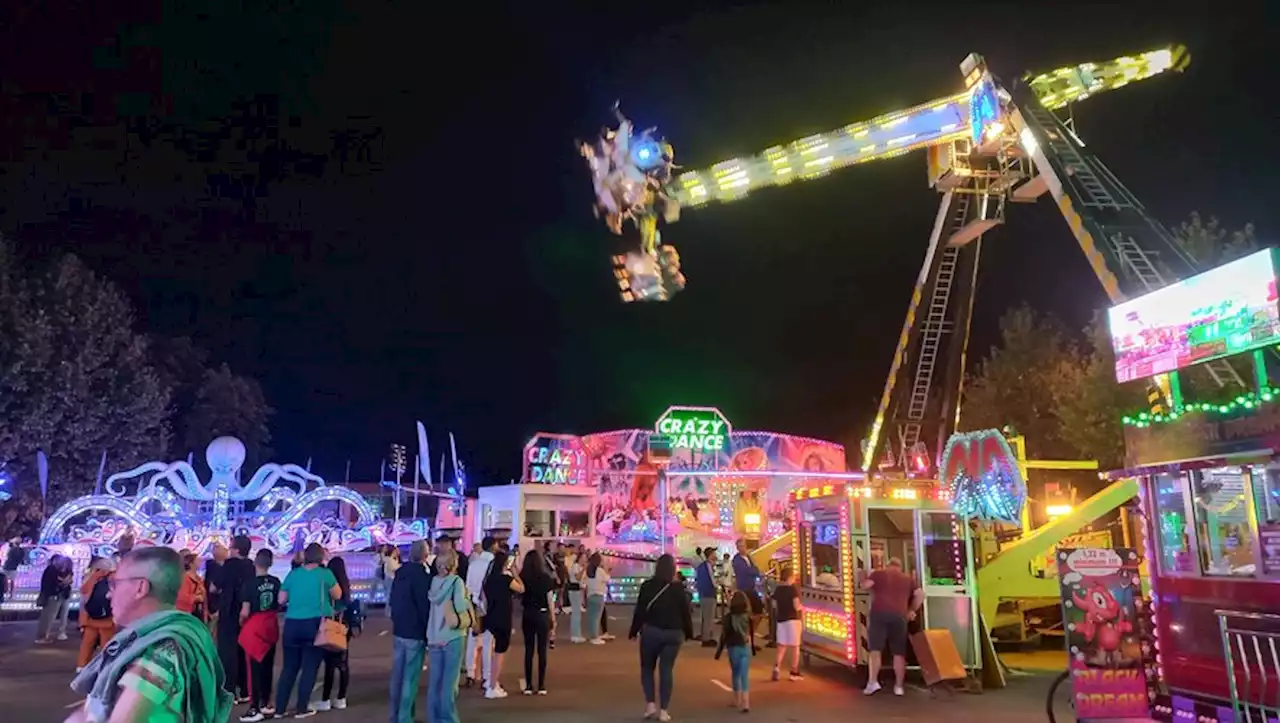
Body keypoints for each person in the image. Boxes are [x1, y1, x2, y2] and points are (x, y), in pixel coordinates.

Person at [63, 546, 232, 723]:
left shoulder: (160, 651)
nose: (108, 593)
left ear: (140, 588)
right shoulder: (149, 639)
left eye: (115, 583)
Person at [275, 542, 341, 717]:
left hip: (292, 624)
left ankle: (279, 708)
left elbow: (281, 599)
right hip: (314, 624)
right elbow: (338, 594)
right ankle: (301, 708)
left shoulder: (293, 574)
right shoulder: (325, 574)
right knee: (310, 667)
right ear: (321, 557)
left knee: (289, 668)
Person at [629, 553, 694, 722]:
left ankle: (650, 704)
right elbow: (685, 613)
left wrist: (633, 631)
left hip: (652, 632)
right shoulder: (679, 588)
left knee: (647, 668)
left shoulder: (647, 586)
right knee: (666, 670)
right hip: (674, 633)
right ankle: (664, 710)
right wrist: (689, 632)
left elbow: (640, 611)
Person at [861, 557, 923, 697]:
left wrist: (862, 576)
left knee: (875, 650)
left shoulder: (879, 574)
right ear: (900, 567)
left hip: (879, 614)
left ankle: (873, 682)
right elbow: (920, 594)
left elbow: (866, 586)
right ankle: (899, 686)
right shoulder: (907, 579)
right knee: (899, 653)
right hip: (900, 616)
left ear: (887, 565)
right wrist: (910, 610)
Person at [389, 540, 431, 723]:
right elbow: (424, 606)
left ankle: (395, 714)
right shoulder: (422, 577)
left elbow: (393, 600)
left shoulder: (400, 573)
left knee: (397, 675)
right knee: (410, 678)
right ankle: (405, 717)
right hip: (415, 631)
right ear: (424, 555)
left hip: (399, 629)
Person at [426, 549, 470, 723]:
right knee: (449, 683)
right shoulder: (456, 582)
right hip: (453, 635)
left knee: (435, 681)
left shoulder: (434, 582)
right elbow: (460, 607)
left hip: (435, 636)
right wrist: (468, 599)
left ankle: (434, 717)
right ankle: (448, 718)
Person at [237, 549, 281, 723]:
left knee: (253, 668)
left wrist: (241, 622)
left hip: (255, 627)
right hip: (271, 625)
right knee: (268, 666)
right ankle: (266, 703)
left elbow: (245, 612)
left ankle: (254, 707)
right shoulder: (276, 582)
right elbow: (281, 601)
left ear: (255, 563)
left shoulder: (249, 584)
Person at [218, 535, 256, 702]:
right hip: (246, 612)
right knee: (243, 650)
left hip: (229, 611)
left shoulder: (229, 565)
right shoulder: (250, 566)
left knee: (228, 651)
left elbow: (215, 586)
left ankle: (229, 689)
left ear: (237, 550)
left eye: (231, 547)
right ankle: (245, 690)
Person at [480, 549, 523, 699]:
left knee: (490, 650)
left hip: (490, 617)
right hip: (503, 618)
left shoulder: (488, 581)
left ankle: (490, 681)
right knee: (499, 653)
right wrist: (514, 572)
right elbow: (521, 588)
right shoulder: (506, 579)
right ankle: (492, 686)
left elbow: (483, 600)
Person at [318, 555, 354, 711]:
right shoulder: (346, 586)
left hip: (330, 626)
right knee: (343, 663)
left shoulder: (329, 585)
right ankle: (341, 697)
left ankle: (325, 699)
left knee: (329, 664)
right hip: (344, 627)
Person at [518, 550, 555, 695]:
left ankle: (528, 685)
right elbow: (550, 599)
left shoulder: (523, 577)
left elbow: (518, 594)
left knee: (529, 650)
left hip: (528, 614)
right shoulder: (545, 577)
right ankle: (541, 685)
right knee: (542, 650)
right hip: (543, 613)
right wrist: (553, 619)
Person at [715, 591, 757, 712]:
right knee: (745, 675)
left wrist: (718, 652)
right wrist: (753, 648)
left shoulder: (728, 617)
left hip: (733, 648)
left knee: (735, 673)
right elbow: (751, 634)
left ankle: (736, 699)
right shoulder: (748, 617)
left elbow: (724, 635)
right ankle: (746, 703)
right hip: (746, 647)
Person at [464, 536, 496, 688]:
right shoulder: (493, 564)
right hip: (489, 606)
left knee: (473, 639)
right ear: (494, 546)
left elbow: (468, 587)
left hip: (474, 604)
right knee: (488, 642)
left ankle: (470, 673)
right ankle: (486, 676)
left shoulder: (474, 564)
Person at [78, 556, 117, 671]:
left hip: (91, 617)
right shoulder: (115, 577)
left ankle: (82, 665)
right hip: (108, 619)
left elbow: (83, 593)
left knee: (87, 644)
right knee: (106, 644)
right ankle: (105, 666)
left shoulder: (92, 576)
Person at [771, 567, 803, 681]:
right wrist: (802, 608)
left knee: (782, 646)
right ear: (790, 577)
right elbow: (796, 606)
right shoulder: (792, 589)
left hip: (781, 620)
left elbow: (774, 605)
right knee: (795, 647)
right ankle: (794, 672)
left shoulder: (778, 589)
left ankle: (777, 667)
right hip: (793, 620)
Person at [35, 554, 73, 643]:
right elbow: (52, 582)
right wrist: (63, 583)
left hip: (58, 594)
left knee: (52, 616)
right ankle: (42, 636)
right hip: (53, 595)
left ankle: (45, 635)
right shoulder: (52, 570)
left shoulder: (61, 570)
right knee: (48, 616)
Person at [731, 539, 764, 632]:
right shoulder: (737, 560)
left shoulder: (748, 557)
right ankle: (749, 634)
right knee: (753, 611)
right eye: (740, 546)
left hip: (751, 587)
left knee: (757, 611)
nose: (742, 548)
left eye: (743, 546)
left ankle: (750, 633)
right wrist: (756, 571)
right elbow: (750, 571)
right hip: (745, 588)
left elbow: (753, 569)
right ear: (737, 548)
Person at [583, 552, 610, 645]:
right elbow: (607, 579)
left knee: (591, 617)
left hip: (590, 595)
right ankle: (595, 637)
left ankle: (592, 635)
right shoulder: (600, 571)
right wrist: (607, 570)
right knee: (596, 618)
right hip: (599, 595)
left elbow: (584, 583)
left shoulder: (588, 570)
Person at [694, 547, 718, 646]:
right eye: (714, 553)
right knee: (708, 616)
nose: (716, 555)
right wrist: (717, 585)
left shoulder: (702, 566)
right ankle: (707, 639)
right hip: (708, 594)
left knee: (705, 616)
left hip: (703, 594)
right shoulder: (707, 566)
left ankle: (705, 635)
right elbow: (712, 582)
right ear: (710, 555)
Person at [176, 550, 208, 622]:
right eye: (197, 560)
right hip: (188, 613)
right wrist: (196, 598)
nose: (200, 562)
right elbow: (182, 597)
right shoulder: (185, 578)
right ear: (191, 563)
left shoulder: (199, 579)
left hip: (198, 612)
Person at [204, 543, 228, 635]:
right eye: (224, 549)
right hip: (215, 610)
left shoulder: (211, 567)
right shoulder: (216, 568)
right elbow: (212, 589)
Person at [381, 545, 401, 618]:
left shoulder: (393, 559)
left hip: (391, 579)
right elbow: (395, 568)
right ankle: (388, 612)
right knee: (389, 595)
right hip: (390, 579)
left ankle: (390, 611)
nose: (398, 552)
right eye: (396, 550)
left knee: (390, 595)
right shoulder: (389, 560)